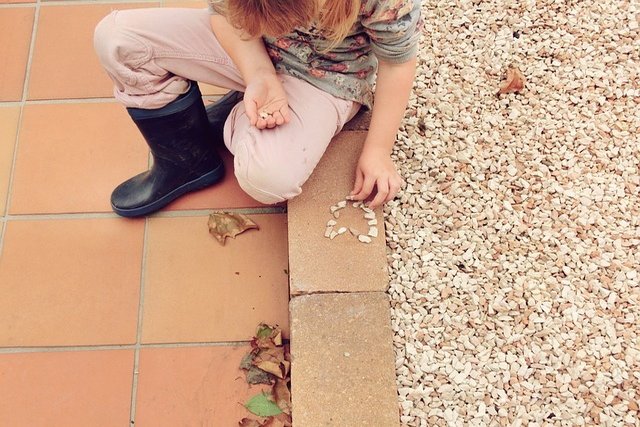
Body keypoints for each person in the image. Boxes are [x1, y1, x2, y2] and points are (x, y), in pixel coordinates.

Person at [94, 0, 422, 217]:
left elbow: (397, 64)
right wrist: (260, 75)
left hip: (327, 77)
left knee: (267, 180)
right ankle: (187, 164)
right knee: (117, 39)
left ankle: (231, 118)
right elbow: (224, 15)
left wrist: (378, 150)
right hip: (251, 43)